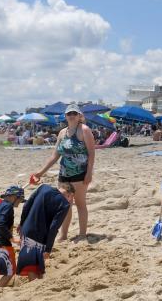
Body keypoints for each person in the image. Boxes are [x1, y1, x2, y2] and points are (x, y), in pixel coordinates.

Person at [30, 104, 96, 242]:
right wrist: (40, 172)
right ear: (65, 116)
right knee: (65, 205)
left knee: (80, 203)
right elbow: (55, 156)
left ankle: (82, 234)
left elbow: (91, 153)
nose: (71, 116)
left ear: (79, 116)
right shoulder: (62, 133)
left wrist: (89, 173)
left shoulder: (85, 130)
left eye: (74, 113)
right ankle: (64, 235)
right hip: (64, 174)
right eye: (69, 114)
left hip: (80, 174)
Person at [16, 183, 73, 280]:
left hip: (27, 230)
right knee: (35, 268)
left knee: (33, 266)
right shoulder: (65, 204)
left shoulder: (43, 187)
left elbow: (26, 205)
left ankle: (36, 288)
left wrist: (21, 224)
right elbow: (54, 227)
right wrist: (48, 249)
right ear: (70, 195)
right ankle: (34, 291)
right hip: (41, 237)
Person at [0, 185, 25, 289]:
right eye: (20, 199)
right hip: (2, 246)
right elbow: (1, 224)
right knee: (10, 272)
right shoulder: (8, 207)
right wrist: (12, 238)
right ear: (13, 196)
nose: (20, 202)